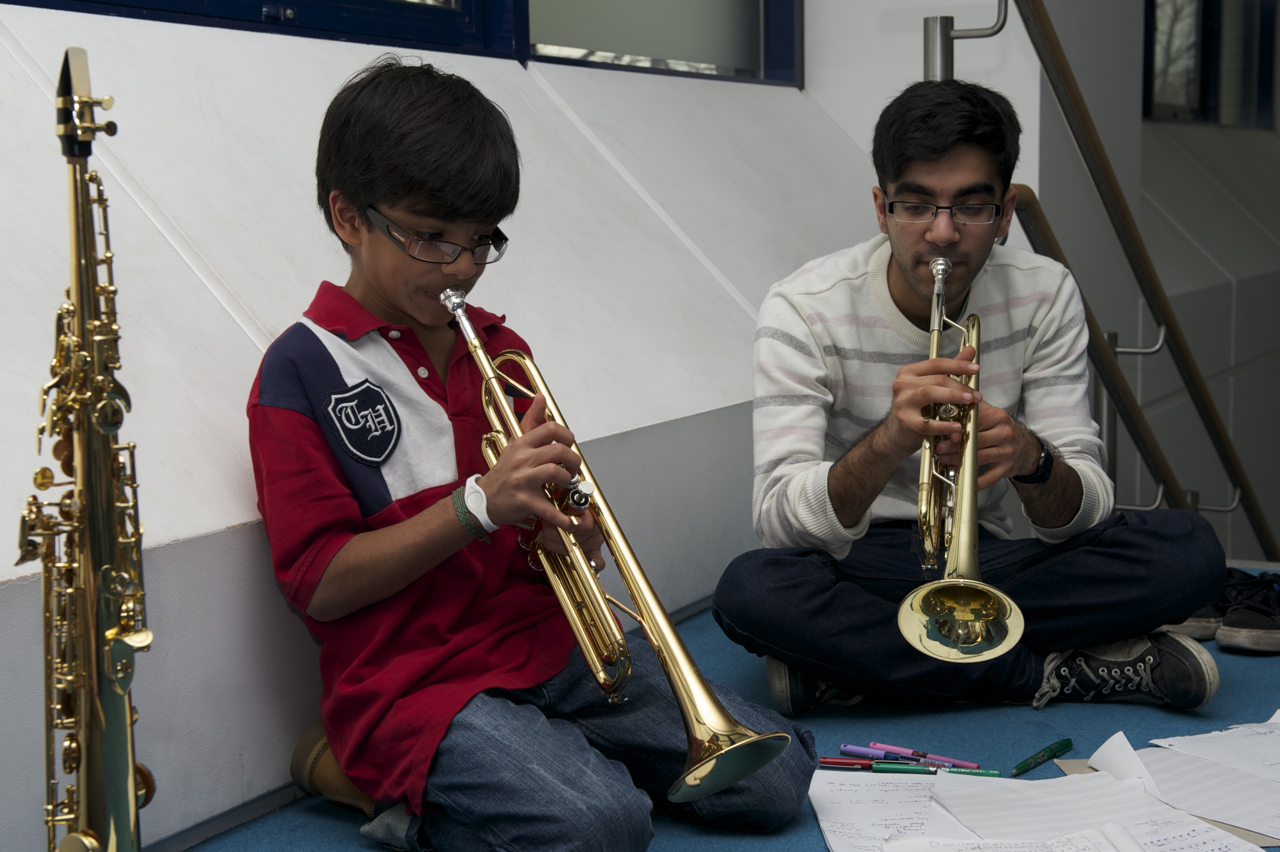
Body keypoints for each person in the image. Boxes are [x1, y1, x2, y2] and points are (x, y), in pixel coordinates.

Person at [247, 56, 816, 852]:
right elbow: (320, 587)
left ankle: (538, 764)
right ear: (347, 217)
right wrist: (479, 506)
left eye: (481, 241)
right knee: (600, 826)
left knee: (780, 773)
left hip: (550, 648)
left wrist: (569, 533)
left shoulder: (501, 348)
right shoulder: (301, 369)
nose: (463, 268)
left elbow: (550, 534)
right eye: (430, 238)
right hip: (415, 684)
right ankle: (370, 778)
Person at [712, 79, 1227, 717]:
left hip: (990, 558)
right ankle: (1053, 673)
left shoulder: (1046, 293)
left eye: (971, 207)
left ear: (1005, 213)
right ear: (881, 208)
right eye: (917, 205)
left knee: (1191, 551)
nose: (944, 234)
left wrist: (1031, 459)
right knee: (753, 590)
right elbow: (779, 519)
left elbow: (1084, 507)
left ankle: (869, 670)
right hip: (858, 566)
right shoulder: (803, 308)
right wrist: (888, 442)